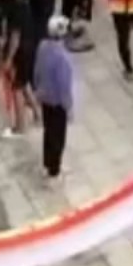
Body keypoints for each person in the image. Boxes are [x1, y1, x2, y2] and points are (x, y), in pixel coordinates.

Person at [35, 14, 75, 178]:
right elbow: (64, 85)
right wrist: (69, 106)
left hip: (44, 97)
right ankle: (54, 168)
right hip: (57, 102)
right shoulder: (62, 57)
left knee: (48, 131)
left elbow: (37, 71)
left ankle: (47, 163)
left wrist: (38, 89)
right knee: (58, 136)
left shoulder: (42, 46)